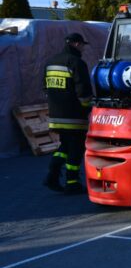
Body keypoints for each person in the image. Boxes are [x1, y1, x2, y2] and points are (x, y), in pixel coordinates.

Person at [42, 32, 93, 194]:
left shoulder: (50, 62)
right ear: (77, 44)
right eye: (83, 45)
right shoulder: (77, 63)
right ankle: (72, 183)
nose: (84, 48)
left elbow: (45, 88)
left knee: (64, 145)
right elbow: (83, 91)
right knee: (76, 148)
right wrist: (88, 108)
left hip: (56, 116)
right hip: (74, 117)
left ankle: (52, 176)